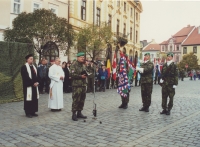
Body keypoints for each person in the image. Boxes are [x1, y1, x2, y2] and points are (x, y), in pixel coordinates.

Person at [70, 52, 88, 121]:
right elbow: (71, 74)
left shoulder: (83, 65)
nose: (83, 58)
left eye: (83, 57)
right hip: (77, 85)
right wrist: (80, 76)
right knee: (76, 99)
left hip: (83, 85)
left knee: (82, 99)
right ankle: (74, 114)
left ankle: (79, 112)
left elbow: (85, 72)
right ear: (78, 57)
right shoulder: (74, 64)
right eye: (81, 57)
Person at [21, 54, 39, 118]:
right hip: (28, 86)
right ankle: (28, 112)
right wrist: (32, 83)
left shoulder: (34, 67)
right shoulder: (24, 67)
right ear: (27, 60)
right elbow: (26, 77)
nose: (32, 60)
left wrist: (37, 82)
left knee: (34, 98)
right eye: (31, 59)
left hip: (34, 86)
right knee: (28, 99)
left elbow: (37, 75)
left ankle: (33, 111)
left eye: (32, 59)